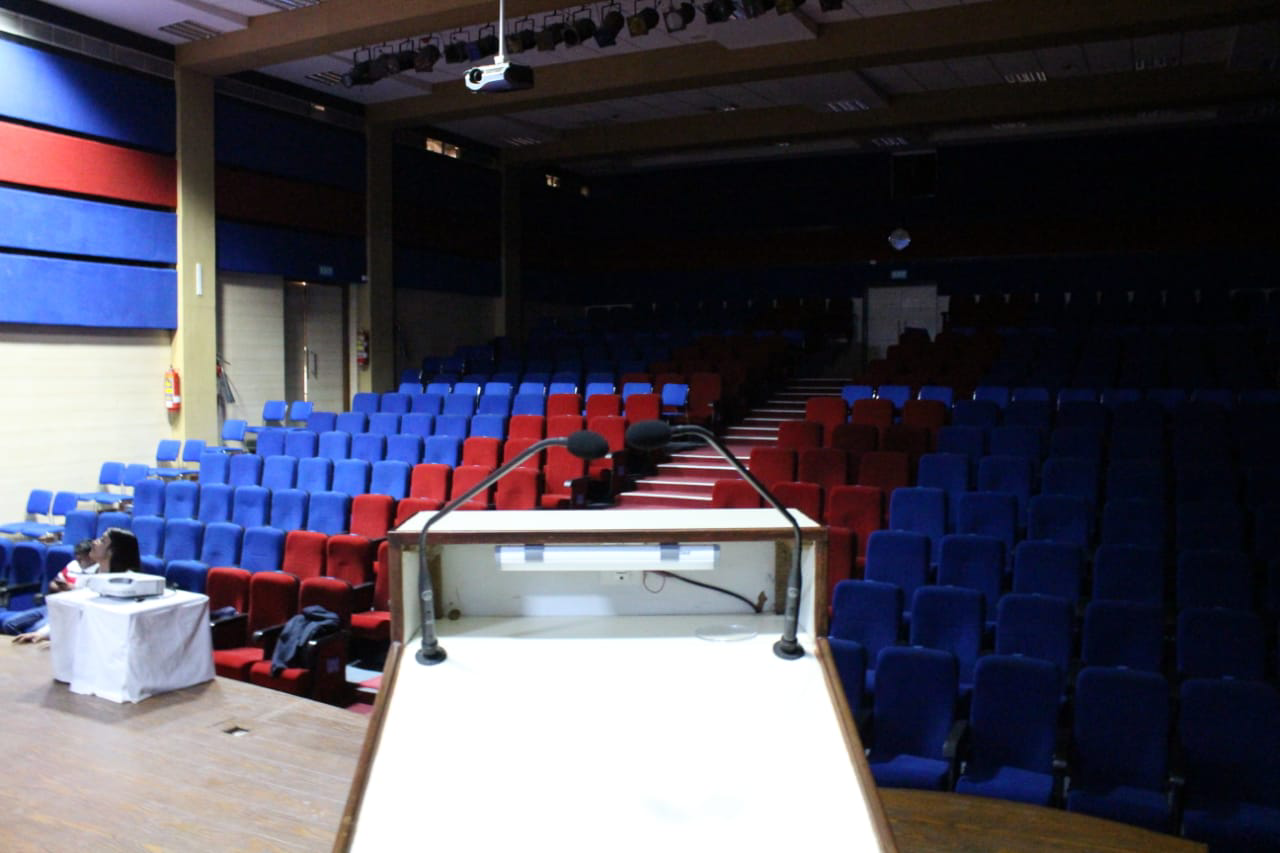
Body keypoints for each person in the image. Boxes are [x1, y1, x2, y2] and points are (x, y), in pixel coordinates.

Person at [12, 528, 140, 645]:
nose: (94, 542)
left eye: (102, 540)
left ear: (112, 551)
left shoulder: (130, 583)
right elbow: (73, 612)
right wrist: (42, 634)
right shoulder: (88, 579)